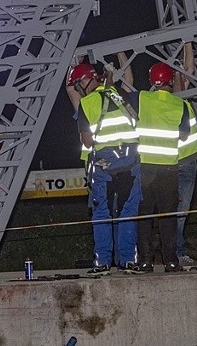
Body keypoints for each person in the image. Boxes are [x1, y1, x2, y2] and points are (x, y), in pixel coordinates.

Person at [68, 62, 141, 275]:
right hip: (130, 162)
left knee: (101, 214)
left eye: (79, 84)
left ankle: (102, 264)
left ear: (85, 81)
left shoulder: (88, 103)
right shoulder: (122, 96)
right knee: (128, 213)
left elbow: (88, 141)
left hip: (104, 167)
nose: (79, 88)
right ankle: (128, 261)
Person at [130, 62, 191, 273]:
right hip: (169, 169)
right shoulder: (180, 105)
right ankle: (171, 260)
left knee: (144, 216)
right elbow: (184, 134)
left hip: (146, 168)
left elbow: (122, 98)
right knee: (168, 217)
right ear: (171, 81)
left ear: (151, 81)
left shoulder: (143, 98)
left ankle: (145, 260)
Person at [174, 44, 197, 270]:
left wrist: (187, 44)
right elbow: (188, 70)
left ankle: (176, 253)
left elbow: (189, 68)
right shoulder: (159, 103)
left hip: (185, 164)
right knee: (176, 214)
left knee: (180, 214)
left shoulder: (180, 99)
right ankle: (176, 254)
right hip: (172, 167)